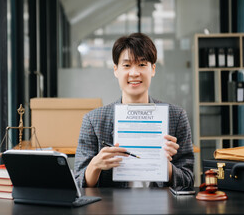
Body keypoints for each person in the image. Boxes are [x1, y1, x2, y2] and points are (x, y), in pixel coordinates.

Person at [74, 33, 194, 188]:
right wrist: (95, 166)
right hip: (111, 208)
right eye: (127, 65)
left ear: (153, 69)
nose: (134, 73)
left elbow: (189, 181)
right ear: (116, 70)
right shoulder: (93, 120)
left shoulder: (176, 117)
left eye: (142, 65)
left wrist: (165, 166)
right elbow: (77, 184)